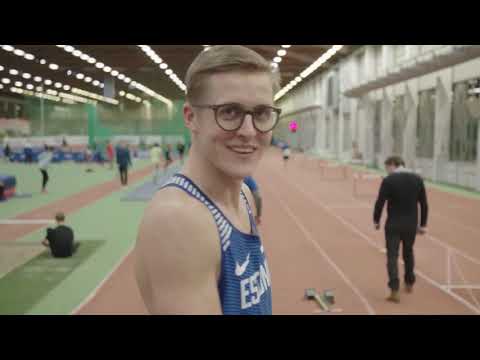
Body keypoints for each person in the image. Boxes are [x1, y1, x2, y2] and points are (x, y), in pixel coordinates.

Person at [135, 45, 282, 315]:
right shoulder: (179, 220)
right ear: (191, 118)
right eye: (229, 112)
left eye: (261, 113)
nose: (249, 132)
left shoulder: (243, 196)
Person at [373, 155, 429, 304]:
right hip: (411, 224)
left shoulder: (388, 180)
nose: (387, 171)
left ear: (393, 164)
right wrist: (423, 224)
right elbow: (424, 204)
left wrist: (376, 220)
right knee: (408, 252)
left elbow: (380, 202)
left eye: (387, 167)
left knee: (392, 256)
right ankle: (409, 282)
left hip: (393, 224)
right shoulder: (417, 179)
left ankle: (394, 290)